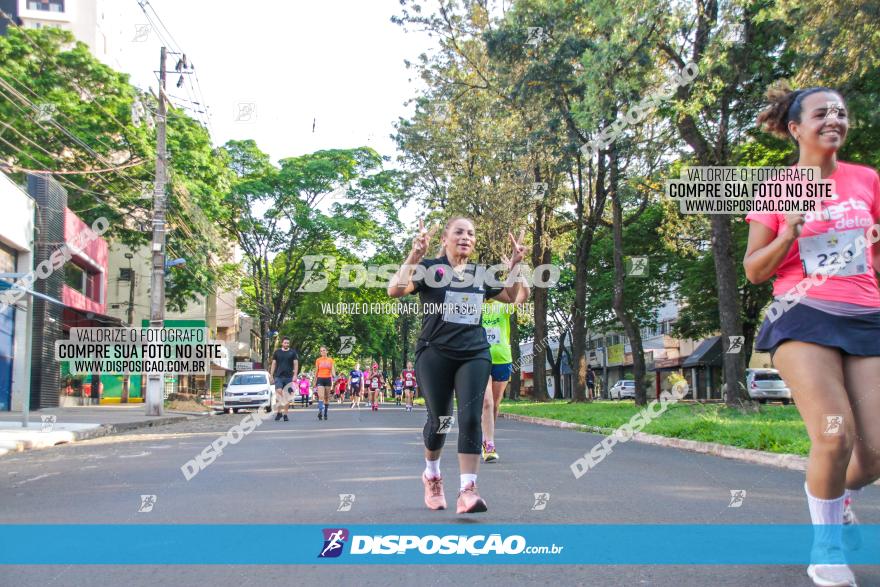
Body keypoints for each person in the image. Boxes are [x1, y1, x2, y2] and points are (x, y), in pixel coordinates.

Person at [745, 85, 880, 587]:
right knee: (833, 433)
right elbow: (755, 271)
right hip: (802, 316)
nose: (834, 119)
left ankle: (840, 496)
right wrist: (786, 236)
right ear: (795, 128)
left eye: (841, 112)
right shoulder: (776, 188)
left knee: (872, 458)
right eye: (822, 112)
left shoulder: (867, 180)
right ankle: (826, 550)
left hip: (866, 317)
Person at [387, 217, 526, 514]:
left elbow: (511, 296)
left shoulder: (480, 274)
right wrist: (415, 255)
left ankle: (468, 490)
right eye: (459, 232)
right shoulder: (430, 268)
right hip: (435, 352)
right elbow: (395, 290)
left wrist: (515, 265)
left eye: (471, 234)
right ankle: (432, 475)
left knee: (471, 417)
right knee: (440, 421)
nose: (466, 237)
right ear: (446, 238)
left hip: (474, 353)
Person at [480, 289, 529, 463]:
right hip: (480, 357)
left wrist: (517, 270)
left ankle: (486, 436)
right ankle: (489, 444)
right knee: (487, 402)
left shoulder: (504, 305)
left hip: (502, 359)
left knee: (495, 403)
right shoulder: (475, 305)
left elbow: (525, 295)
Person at [270, 337, 299, 422]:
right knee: (279, 393)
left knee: (287, 396)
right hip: (278, 376)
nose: (286, 344)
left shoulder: (292, 352)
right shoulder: (277, 352)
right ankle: (279, 412)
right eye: (285, 343)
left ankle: (285, 414)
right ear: (282, 343)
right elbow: (273, 364)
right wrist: (271, 375)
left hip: (289, 377)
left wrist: (295, 375)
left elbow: (296, 364)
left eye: (288, 343)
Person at [313, 347, 336, 421]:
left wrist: (334, 376)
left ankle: (325, 412)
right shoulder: (318, 360)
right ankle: (320, 412)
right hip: (320, 379)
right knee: (321, 396)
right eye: (321, 351)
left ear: (327, 351)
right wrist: (314, 380)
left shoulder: (330, 360)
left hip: (328, 379)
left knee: (326, 397)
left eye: (324, 350)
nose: (322, 352)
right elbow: (316, 371)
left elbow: (332, 369)